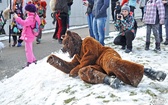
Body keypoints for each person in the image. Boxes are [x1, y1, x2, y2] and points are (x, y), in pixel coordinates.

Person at [47, 31, 167, 89]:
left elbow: (91, 56)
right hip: (98, 67)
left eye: (67, 45)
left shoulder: (88, 41)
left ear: (73, 41)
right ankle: (108, 80)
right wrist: (55, 61)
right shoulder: (77, 56)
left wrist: (76, 68)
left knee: (111, 64)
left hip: (105, 55)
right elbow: (71, 68)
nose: (66, 48)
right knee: (82, 71)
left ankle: (146, 71)